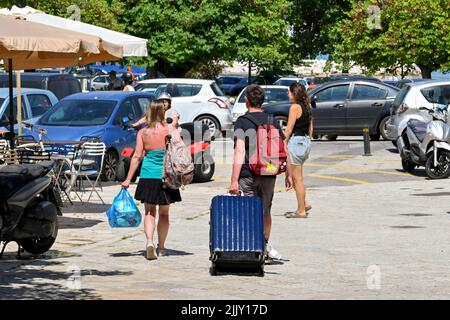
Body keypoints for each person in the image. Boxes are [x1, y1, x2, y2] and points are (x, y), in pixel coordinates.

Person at [230, 84, 293, 261]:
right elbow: (283, 148)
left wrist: (234, 180)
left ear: (246, 100)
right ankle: (264, 245)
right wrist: (288, 172)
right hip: (269, 173)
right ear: (263, 101)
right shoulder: (271, 120)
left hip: (247, 173)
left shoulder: (242, 121)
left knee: (248, 211)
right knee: (266, 211)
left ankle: (253, 248)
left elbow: (239, 151)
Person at [121, 101, 182, 260]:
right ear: (163, 113)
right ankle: (161, 247)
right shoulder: (170, 130)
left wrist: (128, 179)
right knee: (164, 213)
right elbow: (180, 149)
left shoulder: (143, 132)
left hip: (148, 175)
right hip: (166, 175)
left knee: (149, 211)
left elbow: (137, 156)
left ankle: (149, 242)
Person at [283, 82, 313, 218]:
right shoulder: (307, 106)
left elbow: (289, 129)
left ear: (294, 93)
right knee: (297, 177)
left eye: (289, 92)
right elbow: (311, 128)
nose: (288, 95)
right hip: (305, 142)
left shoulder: (294, 107)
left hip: (296, 142)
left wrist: (282, 142)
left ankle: (301, 211)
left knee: (297, 179)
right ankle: (304, 203)